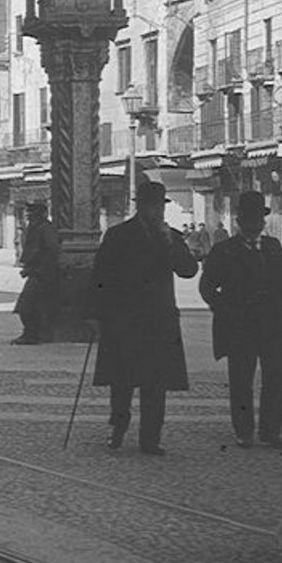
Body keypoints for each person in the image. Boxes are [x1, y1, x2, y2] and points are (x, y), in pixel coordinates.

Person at [87, 180, 199, 455]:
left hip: (159, 319)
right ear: (141, 208)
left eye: (159, 207)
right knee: (122, 380)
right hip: (124, 318)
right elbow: (100, 277)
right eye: (151, 206)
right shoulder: (118, 235)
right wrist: (95, 315)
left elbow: (188, 270)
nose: (156, 212)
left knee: (156, 383)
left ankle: (151, 438)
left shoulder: (170, 235)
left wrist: (169, 245)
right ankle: (118, 427)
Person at [199, 190, 282, 448]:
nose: (257, 224)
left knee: (277, 378)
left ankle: (270, 431)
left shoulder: (273, 247)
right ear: (240, 222)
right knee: (241, 381)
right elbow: (207, 287)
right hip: (240, 327)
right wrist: (224, 311)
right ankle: (244, 431)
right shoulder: (224, 251)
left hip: (273, 325)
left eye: (260, 219)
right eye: (250, 219)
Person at [12, 201, 61, 345]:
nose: (29, 217)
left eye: (32, 214)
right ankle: (33, 333)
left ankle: (32, 334)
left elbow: (51, 250)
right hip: (37, 272)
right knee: (33, 305)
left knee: (26, 305)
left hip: (43, 274)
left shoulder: (45, 229)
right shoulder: (35, 228)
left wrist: (36, 267)